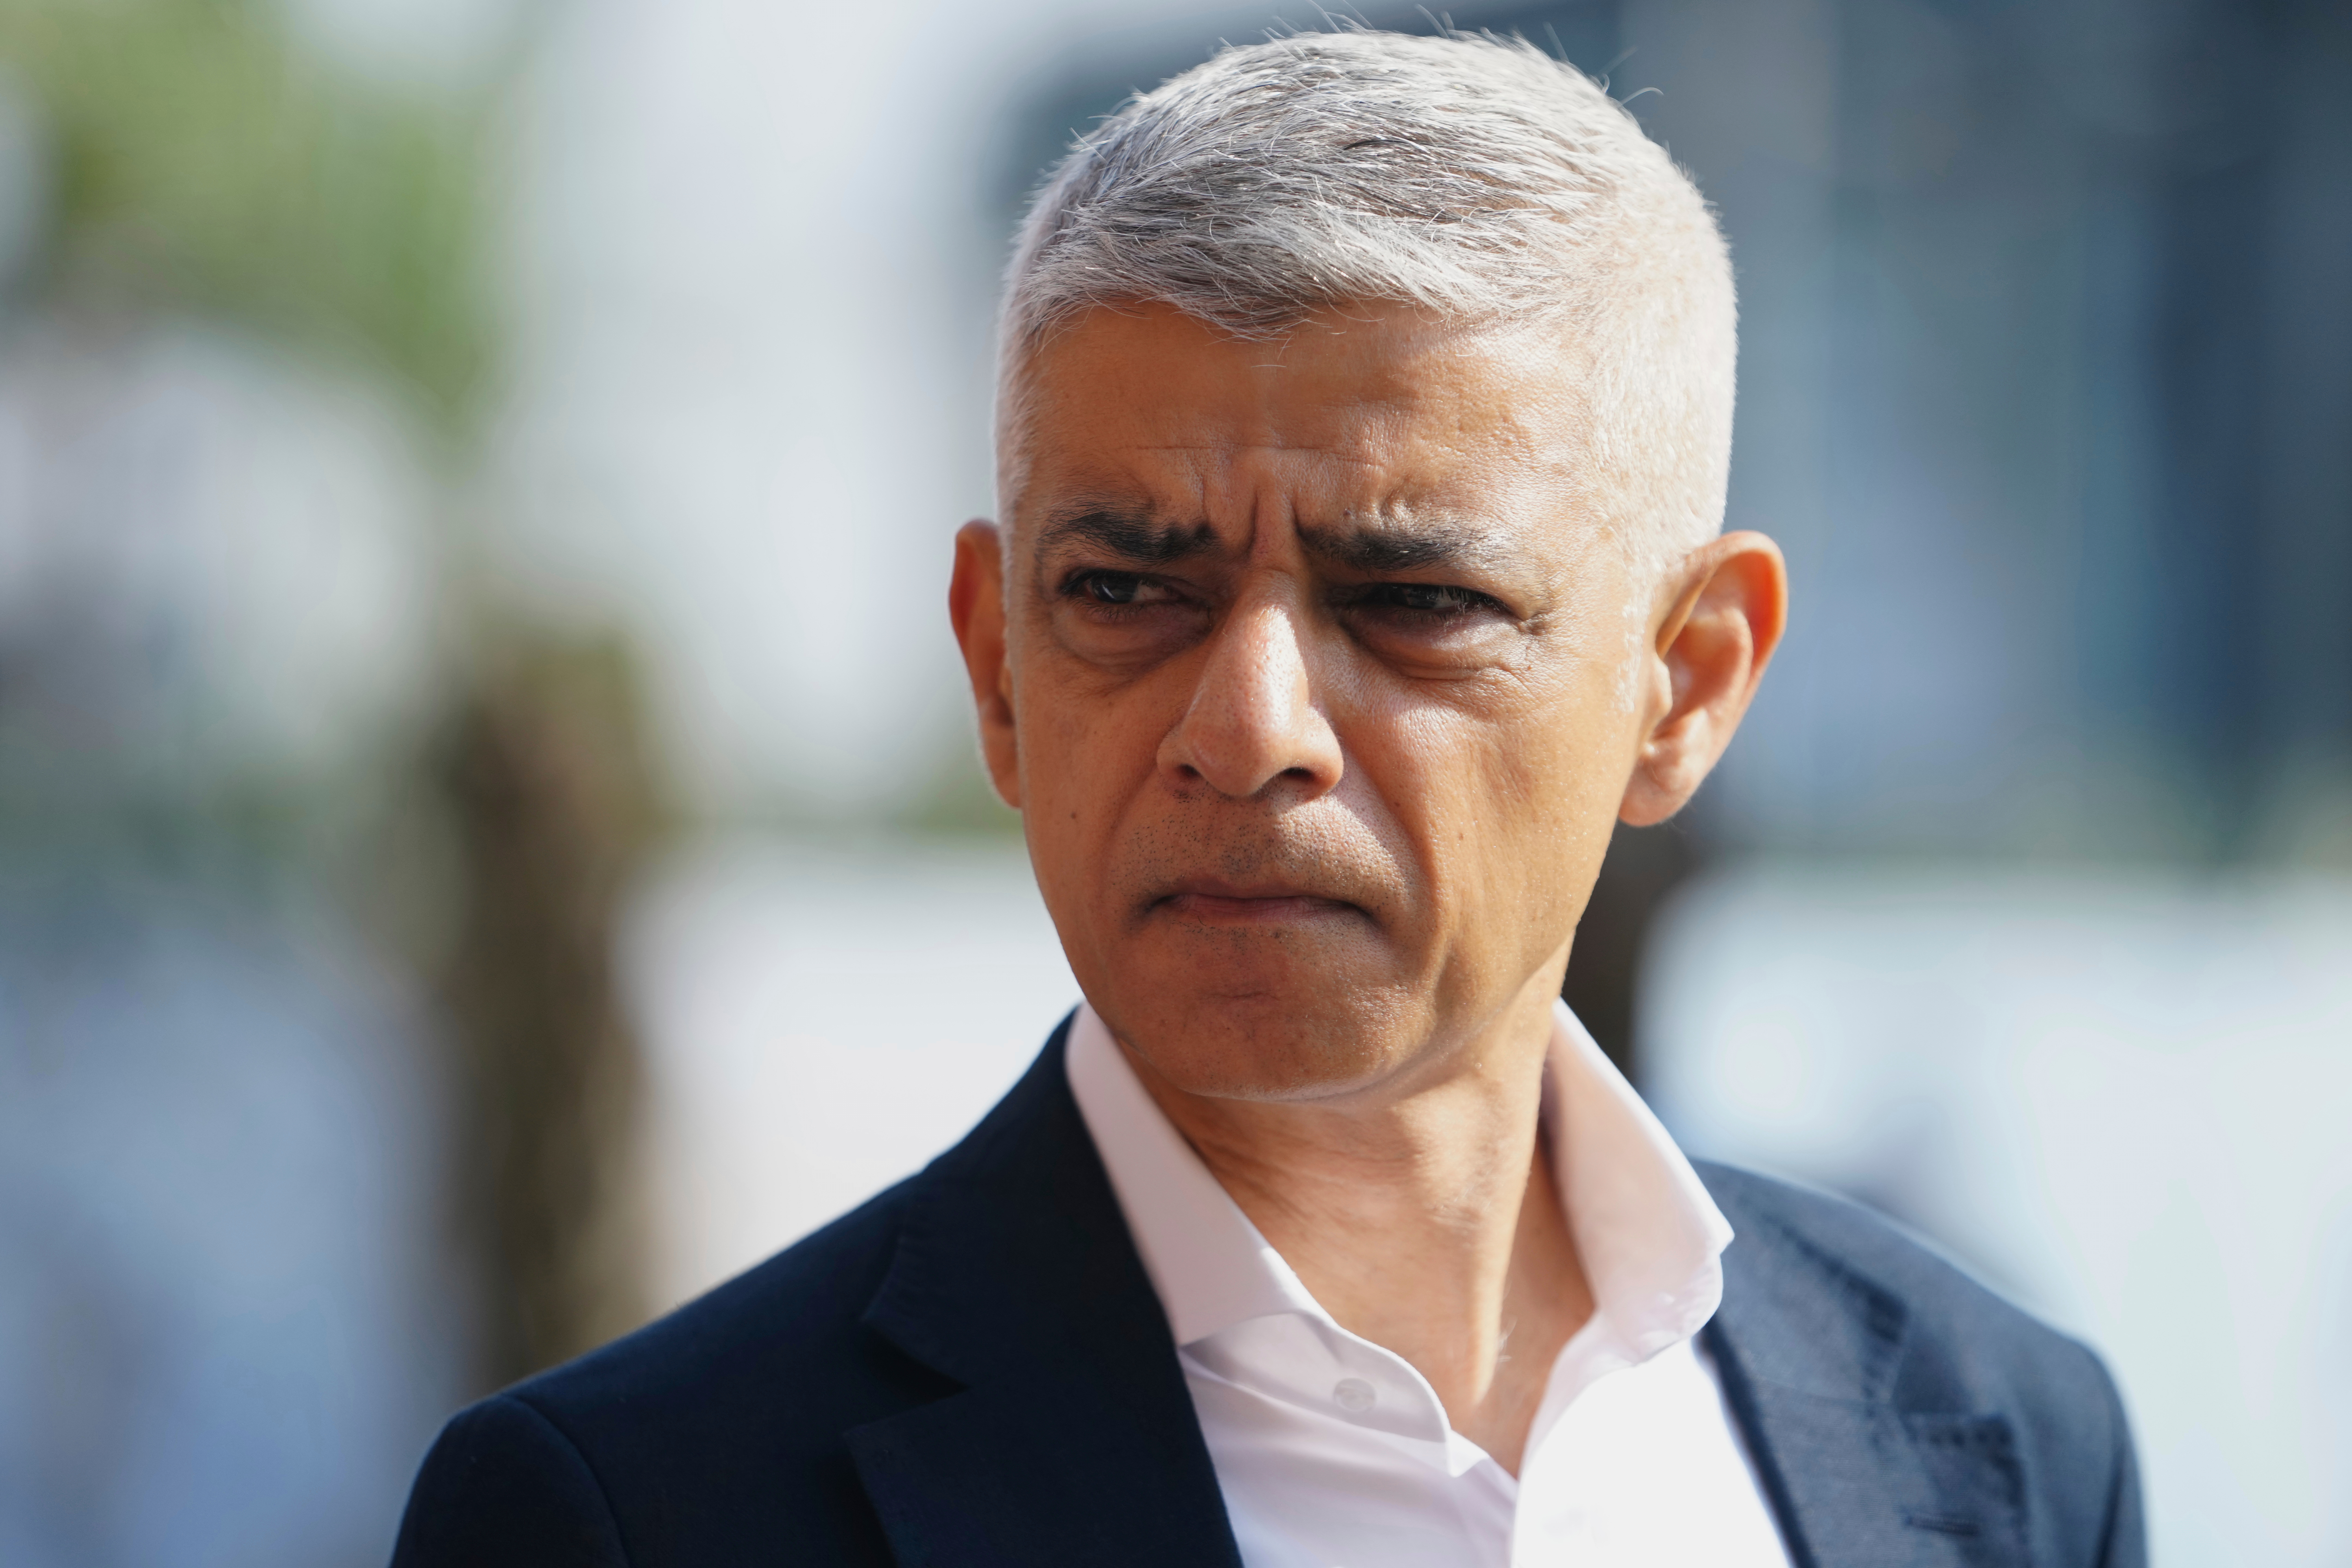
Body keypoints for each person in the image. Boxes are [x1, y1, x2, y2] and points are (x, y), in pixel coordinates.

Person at [391, 29, 2143, 1567]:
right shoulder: (641, 1519)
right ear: (998, 668)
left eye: (1413, 603)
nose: (1249, 727)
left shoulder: (1997, 1447)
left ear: (1683, 683)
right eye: (1128, 591)